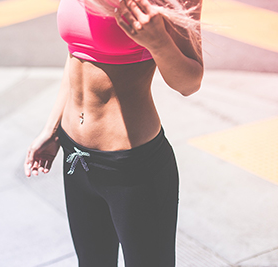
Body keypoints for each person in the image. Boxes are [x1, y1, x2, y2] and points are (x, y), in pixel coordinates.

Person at [24, 0, 203, 265]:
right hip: (75, 156)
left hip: (132, 167)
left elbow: (190, 83)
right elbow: (76, 54)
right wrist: (52, 129)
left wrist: (159, 43)